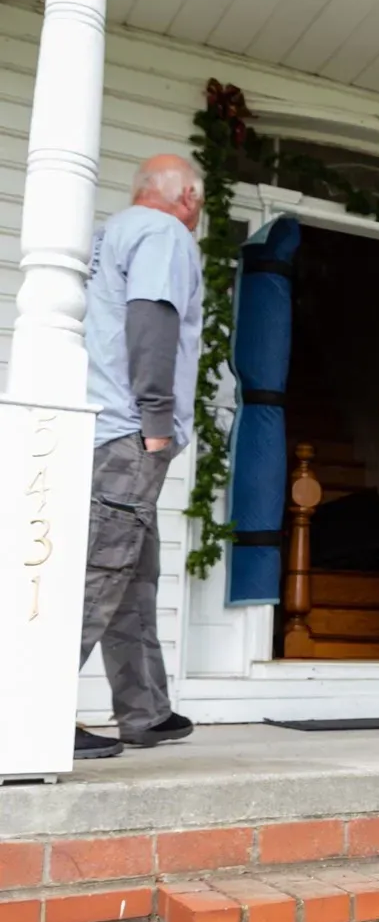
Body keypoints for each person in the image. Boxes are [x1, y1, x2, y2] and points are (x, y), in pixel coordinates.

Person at [74, 155, 206, 760]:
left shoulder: (115, 231)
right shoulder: (165, 233)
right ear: (190, 196)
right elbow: (152, 318)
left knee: (133, 576)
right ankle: (30, 712)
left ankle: (144, 711)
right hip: (131, 431)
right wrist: (156, 419)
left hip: (107, 429)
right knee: (100, 574)